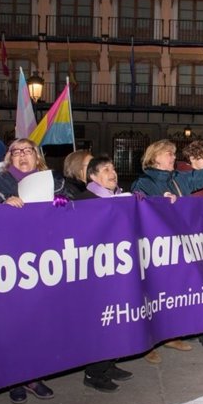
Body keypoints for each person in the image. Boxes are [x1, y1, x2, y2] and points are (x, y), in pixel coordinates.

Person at [131, 139, 203, 362]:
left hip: (177, 245)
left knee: (173, 291)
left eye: (173, 153)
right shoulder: (143, 182)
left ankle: (170, 335)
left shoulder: (178, 179)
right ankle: (147, 344)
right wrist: (159, 202)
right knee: (152, 295)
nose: (173, 157)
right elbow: (137, 208)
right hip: (155, 249)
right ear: (155, 158)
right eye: (169, 154)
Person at [0, 139, 58, 403]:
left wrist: (57, 204)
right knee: (14, 322)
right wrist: (2, 209)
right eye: (17, 151)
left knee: (38, 320)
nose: (23, 155)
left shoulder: (52, 180)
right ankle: (14, 378)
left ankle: (35, 375)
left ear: (38, 156)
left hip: (45, 262)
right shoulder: (0, 184)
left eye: (28, 151)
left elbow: (71, 209)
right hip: (10, 264)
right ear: (9, 157)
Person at [74, 156, 134, 391]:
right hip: (95, 274)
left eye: (114, 168)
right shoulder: (83, 201)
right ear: (93, 176)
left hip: (117, 270)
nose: (113, 173)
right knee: (100, 323)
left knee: (116, 319)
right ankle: (94, 372)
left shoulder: (121, 198)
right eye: (106, 169)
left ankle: (110, 362)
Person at [0, 138, 68, 207]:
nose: (22, 155)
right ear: (11, 160)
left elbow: (72, 207)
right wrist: (3, 205)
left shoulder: (54, 181)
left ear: (37, 159)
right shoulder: (0, 182)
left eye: (28, 151)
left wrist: (62, 202)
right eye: (16, 152)